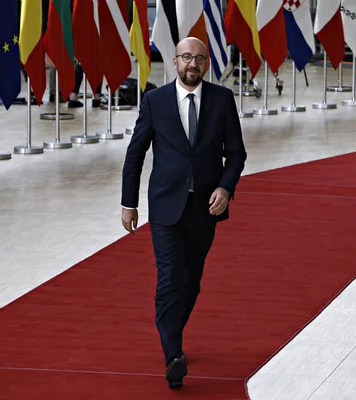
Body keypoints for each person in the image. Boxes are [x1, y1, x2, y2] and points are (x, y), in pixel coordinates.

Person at [120, 37, 247, 390]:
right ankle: (173, 354)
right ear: (174, 62)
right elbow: (136, 154)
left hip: (205, 207)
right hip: (164, 205)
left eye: (200, 58)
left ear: (207, 64)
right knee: (169, 276)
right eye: (187, 57)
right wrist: (128, 203)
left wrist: (225, 187)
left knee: (191, 280)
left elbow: (236, 154)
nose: (193, 63)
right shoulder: (154, 101)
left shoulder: (222, 100)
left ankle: (172, 331)